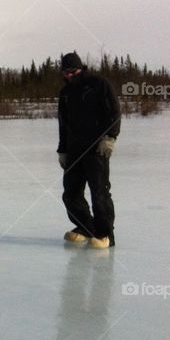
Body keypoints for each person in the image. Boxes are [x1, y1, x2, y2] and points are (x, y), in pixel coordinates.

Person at [57, 52, 120, 249]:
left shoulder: (99, 84)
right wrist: (63, 150)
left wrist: (110, 137)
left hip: (96, 149)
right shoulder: (65, 93)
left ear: (80, 68)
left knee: (99, 193)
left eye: (71, 71)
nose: (68, 76)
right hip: (75, 149)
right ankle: (86, 227)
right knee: (70, 193)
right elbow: (63, 123)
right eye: (65, 72)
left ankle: (105, 234)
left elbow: (115, 111)